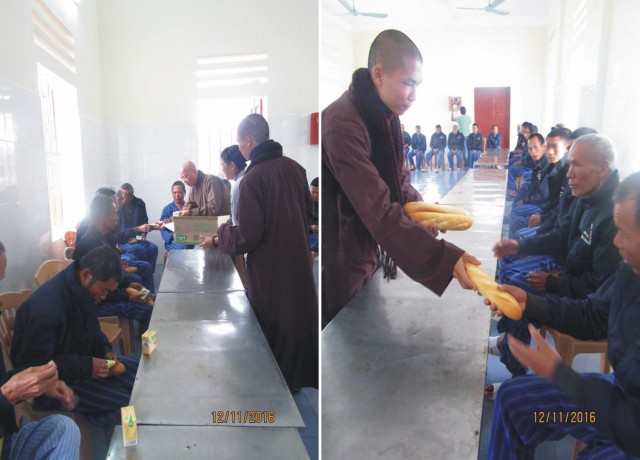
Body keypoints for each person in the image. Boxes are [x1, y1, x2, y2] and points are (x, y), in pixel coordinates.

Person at [321, 29, 478, 327]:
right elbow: (377, 207)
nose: (414, 95)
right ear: (378, 75)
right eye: (408, 83)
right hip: (342, 254)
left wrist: (422, 215)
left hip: (367, 246)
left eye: (417, 85)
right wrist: (443, 258)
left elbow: (399, 182)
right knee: (348, 333)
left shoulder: (382, 117)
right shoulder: (342, 122)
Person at [485, 172, 640, 459]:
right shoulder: (630, 273)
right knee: (515, 403)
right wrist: (530, 303)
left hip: (623, 423)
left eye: (626, 234)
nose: (617, 242)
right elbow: (593, 314)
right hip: (610, 399)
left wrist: (562, 376)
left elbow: (631, 427)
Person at [490, 134, 621, 381]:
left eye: (576, 165)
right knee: (516, 282)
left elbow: (598, 286)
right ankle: (509, 347)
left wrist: (553, 283)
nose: (569, 173)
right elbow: (560, 235)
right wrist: (519, 245)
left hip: (588, 303)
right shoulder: (588, 198)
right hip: (571, 277)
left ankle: (517, 374)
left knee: (520, 287)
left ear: (602, 167)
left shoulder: (616, 217)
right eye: (569, 164)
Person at [210, 114, 317, 392]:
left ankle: (276, 392)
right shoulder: (296, 169)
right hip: (299, 263)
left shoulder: (252, 179)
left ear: (248, 140)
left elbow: (248, 236)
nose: (239, 148)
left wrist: (222, 233)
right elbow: (308, 213)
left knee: (274, 326)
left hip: (271, 271)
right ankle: (296, 383)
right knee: (297, 320)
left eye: (239, 142)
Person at [12, 247, 139, 427]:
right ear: (86, 274)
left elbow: (93, 328)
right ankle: (96, 428)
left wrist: (104, 350)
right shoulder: (45, 309)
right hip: (51, 385)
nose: (104, 297)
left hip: (78, 361)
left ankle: (98, 418)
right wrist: (87, 366)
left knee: (138, 374)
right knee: (125, 401)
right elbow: (36, 366)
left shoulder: (82, 289)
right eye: (103, 290)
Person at [0, 242, 81, 459]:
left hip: (6, 441)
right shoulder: (46, 308)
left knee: (64, 428)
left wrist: (38, 382)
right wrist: (7, 394)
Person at [73, 195, 154, 323]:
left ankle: (150, 302)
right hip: (96, 303)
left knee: (147, 297)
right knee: (147, 310)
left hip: (109, 293)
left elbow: (112, 274)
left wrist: (128, 284)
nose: (117, 218)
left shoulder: (107, 237)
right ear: (103, 217)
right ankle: (147, 336)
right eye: (114, 214)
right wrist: (126, 295)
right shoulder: (91, 245)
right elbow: (99, 290)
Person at [159, 181, 194, 251]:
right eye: (174, 193)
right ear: (172, 193)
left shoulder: (189, 208)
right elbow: (162, 228)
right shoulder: (167, 209)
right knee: (184, 245)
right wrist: (172, 236)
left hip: (188, 238)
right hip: (172, 240)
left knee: (188, 243)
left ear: (184, 192)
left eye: (179, 192)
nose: (177, 195)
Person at [220, 145, 248, 225]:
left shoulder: (238, 186)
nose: (221, 169)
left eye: (222, 164)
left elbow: (237, 225)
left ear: (232, 165)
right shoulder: (247, 179)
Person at [309, 177, 319, 252]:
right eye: (312, 192)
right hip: (309, 234)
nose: (314, 195)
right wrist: (310, 228)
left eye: (317, 193)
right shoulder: (303, 204)